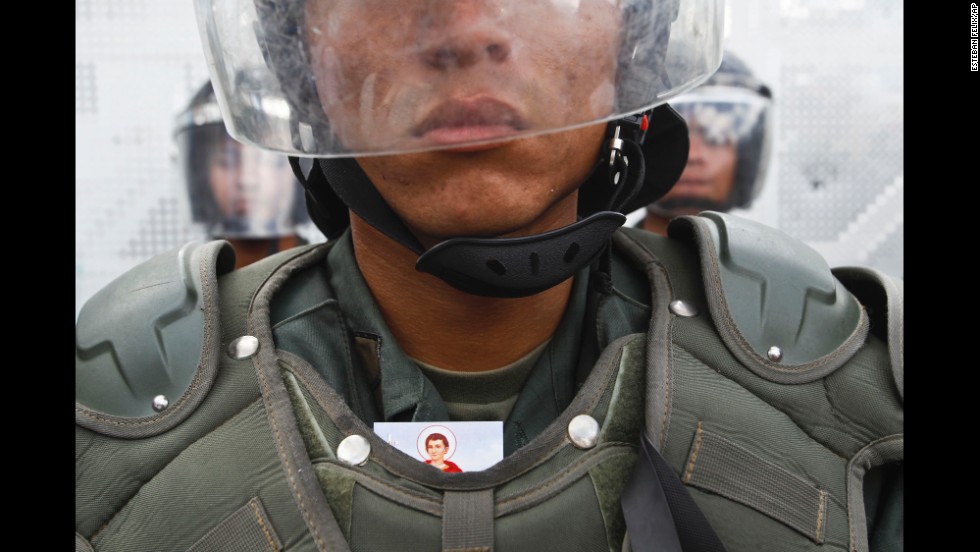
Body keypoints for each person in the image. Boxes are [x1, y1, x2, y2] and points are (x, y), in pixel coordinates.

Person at [75, 2, 903, 552]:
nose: (468, 30)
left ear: (635, 37)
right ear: (299, 65)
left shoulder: (851, 408)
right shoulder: (107, 436)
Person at [174, 79, 313, 269]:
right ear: (201, 172)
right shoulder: (186, 288)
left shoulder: (331, 283)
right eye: (226, 160)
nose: (247, 180)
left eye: (266, 159)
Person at [641, 50, 774, 236]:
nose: (693, 155)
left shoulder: (772, 264)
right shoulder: (596, 261)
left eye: (715, 138)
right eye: (671, 139)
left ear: (747, 155)